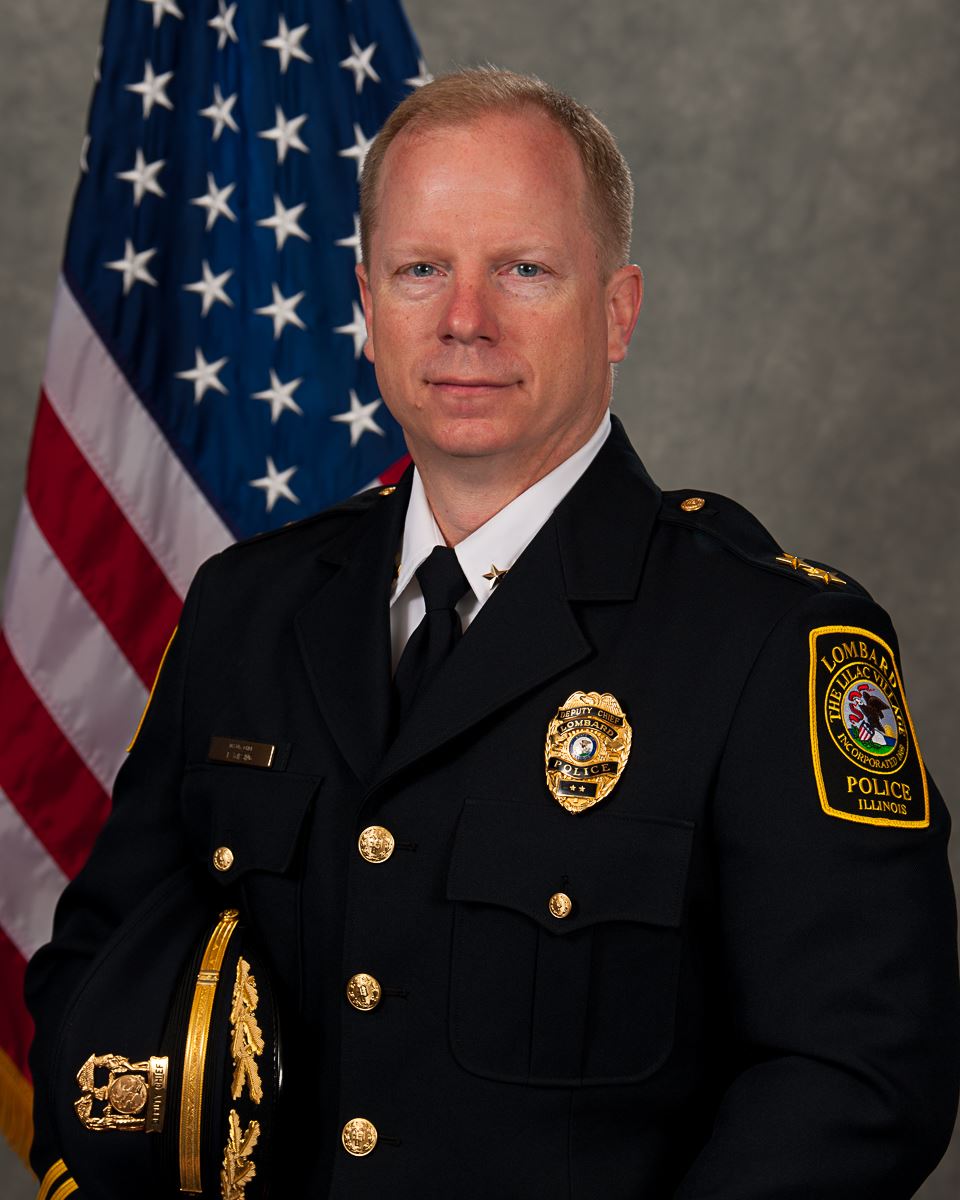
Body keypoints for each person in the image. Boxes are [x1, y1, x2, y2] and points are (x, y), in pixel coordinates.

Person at [26, 68, 960, 1199]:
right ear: (365, 306)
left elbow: (859, 1078)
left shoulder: (773, 641)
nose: (465, 321)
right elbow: (98, 969)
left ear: (617, 310)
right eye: (423, 270)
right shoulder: (247, 609)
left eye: (522, 268)